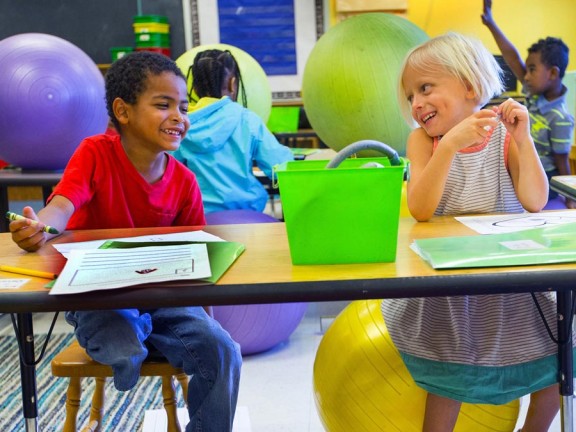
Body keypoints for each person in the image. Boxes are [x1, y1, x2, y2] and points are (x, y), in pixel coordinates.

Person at [9, 51, 242, 432]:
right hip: (100, 297)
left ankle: (144, 331)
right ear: (123, 110)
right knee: (122, 345)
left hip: (165, 300)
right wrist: (41, 227)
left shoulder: (184, 182)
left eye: (183, 107)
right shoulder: (94, 154)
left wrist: (207, 328)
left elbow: (199, 262)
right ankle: (135, 333)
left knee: (224, 352)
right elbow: (62, 205)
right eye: (163, 105)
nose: (179, 117)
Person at [381, 33, 565, 432]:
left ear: (468, 85)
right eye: (411, 95)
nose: (416, 103)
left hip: (511, 285)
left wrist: (523, 139)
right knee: (450, 377)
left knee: (558, 358)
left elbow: (535, 199)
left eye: (425, 88)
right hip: (454, 290)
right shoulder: (423, 141)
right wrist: (447, 148)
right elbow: (421, 209)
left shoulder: (502, 133)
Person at [172, 49, 294, 214]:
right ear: (232, 83)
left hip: (197, 216)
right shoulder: (247, 120)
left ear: (193, 86)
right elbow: (280, 167)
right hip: (247, 215)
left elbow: (167, 173)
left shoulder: (181, 124)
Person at [482, 0, 575, 209]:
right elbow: (512, 56)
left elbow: (562, 162)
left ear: (552, 73)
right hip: (520, 167)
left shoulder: (560, 119)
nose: (527, 75)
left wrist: (570, 199)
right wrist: (490, 22)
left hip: (546, 179)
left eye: (532, 69)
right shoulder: (534, 93)